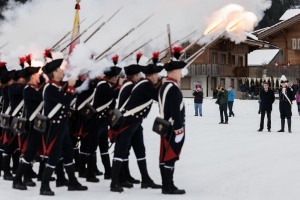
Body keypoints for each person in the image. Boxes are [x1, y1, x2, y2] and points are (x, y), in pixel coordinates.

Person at [39, 59, 87, 196]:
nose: (61, 71)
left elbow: (66, 96)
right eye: (59, 70)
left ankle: (72, 181)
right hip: (55, 127)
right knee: (54, 156)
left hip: (62, 126)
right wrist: (71, 87)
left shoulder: (56, 86)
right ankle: (44, 186)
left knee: (69, 153)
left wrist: (74, 81)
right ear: (53, 73)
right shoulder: (50, 88)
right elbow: (65, 101)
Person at [158, 47, 186, 195]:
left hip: (164, 125)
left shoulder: (164, 86)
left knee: (164, 155)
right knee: (170, 156)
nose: (181, 74)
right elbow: (176, 112)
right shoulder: (173, 88)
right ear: (174, 72)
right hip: (173, 127)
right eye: (180, 72)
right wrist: (179, 130)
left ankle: (166, 185)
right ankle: (168, 186)